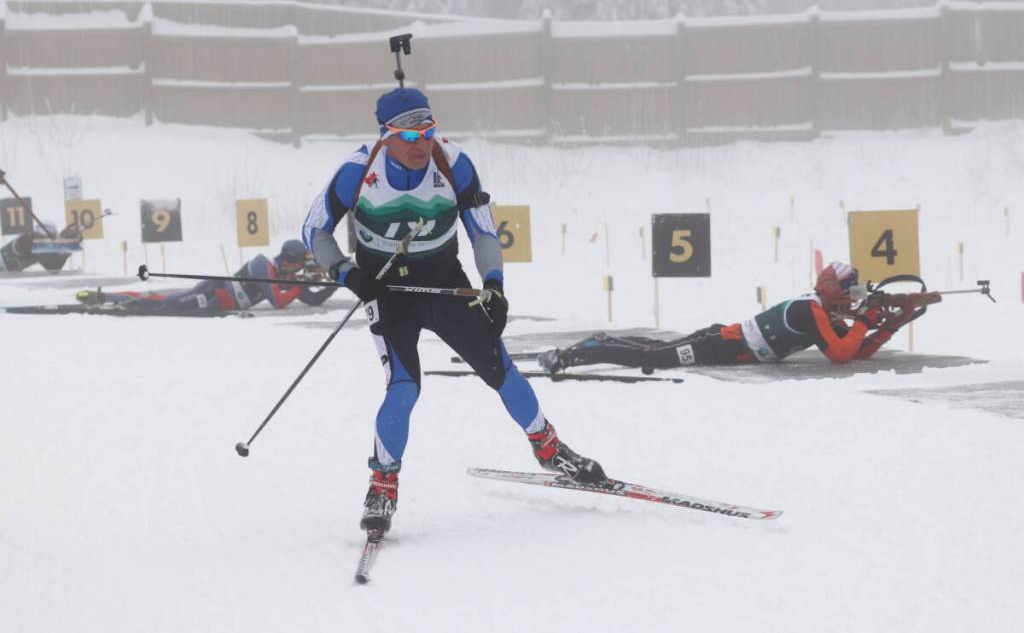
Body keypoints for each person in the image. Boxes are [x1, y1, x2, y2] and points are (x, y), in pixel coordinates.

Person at [302, 87, 606, 535]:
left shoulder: (453, 163)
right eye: (408, 135)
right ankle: (382, 486)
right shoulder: (357, 171)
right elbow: (314, 230)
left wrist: (495, 286)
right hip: (385, 290)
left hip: (444, 282)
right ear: (386, 136)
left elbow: (483, 231)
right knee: (403, 389)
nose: (421, 144)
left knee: (502, 370)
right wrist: (346, 274)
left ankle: (548, 448)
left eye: (428, 132)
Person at [538, 262, 915, 373]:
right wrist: (868, 322)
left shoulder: (821, 313)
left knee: (657, 350)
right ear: (835, 293)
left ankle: (598, 345)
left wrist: (891, 325)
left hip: (727, 343)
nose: (851, 304)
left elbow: (856, 350)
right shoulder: (811, 311)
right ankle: (583, 352)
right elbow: (840, 355)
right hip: (723, 344)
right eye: (849, 297)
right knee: (653, 358)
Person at [75, 240, 334, 315]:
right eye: (301, 264)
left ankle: (115, 300)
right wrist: (300, 287)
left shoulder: (283, 277)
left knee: (167, 302)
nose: (301, 269)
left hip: (222, 303)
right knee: (169, 303)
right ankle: (109, 299)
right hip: (216, 291)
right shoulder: (262, 265)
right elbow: (278, 301)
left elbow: (312, 300)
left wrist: (335, 282)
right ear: (289, 260)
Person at [0, 220, 82, 273]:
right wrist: (61, 243)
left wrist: (64, 253)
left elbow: (53, 267)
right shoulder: (29, 238)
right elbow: (24, 245)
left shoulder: (42, 250)